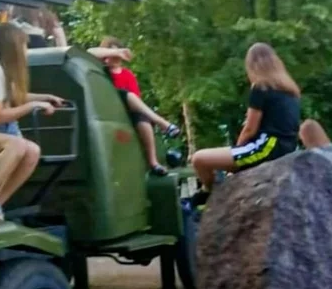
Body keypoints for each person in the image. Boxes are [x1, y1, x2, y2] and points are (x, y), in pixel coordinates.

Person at [191, 43, 300, 199]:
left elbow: (250, 129)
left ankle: (210, 194)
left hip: (266, 148)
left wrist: (238, 150)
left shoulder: (260, 87)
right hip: (286, 149)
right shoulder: (291, 91)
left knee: (199, 159)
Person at [0, 24, 63, 222]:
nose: (26, 51)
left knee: (32, 151)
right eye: (24, 45)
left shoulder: (3, 71)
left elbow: (17, 96)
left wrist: (45, 98)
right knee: (15, 144)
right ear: (12, 46)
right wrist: (33, 107)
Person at [88, 37, 180, 177]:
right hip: (108, 107)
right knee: (126, 94)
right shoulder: (101, 71)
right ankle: (163, 123)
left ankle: (153, 162)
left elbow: (136, 99)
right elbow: (90, 52)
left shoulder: (128, 75)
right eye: (110, 52)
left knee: (142, 119)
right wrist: (118, 52)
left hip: (127, 111)